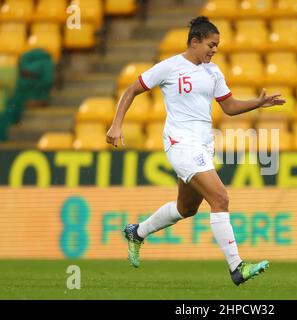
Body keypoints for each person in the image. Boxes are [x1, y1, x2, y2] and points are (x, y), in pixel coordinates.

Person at [106, 16, 285, 286]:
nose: (214, 50)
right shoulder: (169, 67)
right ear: (194, 41)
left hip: (202, 145)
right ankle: (237, 268)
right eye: (211, 45)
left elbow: (229, 106)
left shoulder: (213, 72)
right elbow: (132, 90)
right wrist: (116, 124)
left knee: (186, 208)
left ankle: (137, 232)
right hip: (180, 143)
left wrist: (257, 104)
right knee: (220, 198)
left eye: (217, 46)